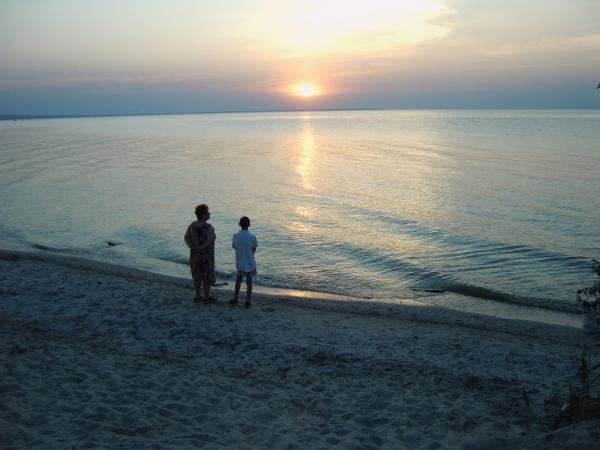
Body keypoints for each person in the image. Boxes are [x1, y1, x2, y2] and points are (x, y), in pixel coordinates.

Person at [184, 204, 216, 304]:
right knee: (206, 277)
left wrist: (192, 247)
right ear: (203, 215)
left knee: (197, 276)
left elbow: (186, 237)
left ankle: (197, 296)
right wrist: (201, 247)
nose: (209, 213)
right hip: (206, 256)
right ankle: (206, 297)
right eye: (207, 212)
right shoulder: (208, 227)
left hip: (194, 255)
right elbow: (211, 240)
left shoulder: (192, 225)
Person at [229, 216, 258, 308]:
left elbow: (235, 247)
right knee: (249, 282)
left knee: (238, 280)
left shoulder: (235, 236)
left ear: (239, 224)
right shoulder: (252, 236)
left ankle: (235, 298)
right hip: (249, 262)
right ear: (249, 225)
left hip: (240, 261)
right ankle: (248, 300)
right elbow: (253, 250)